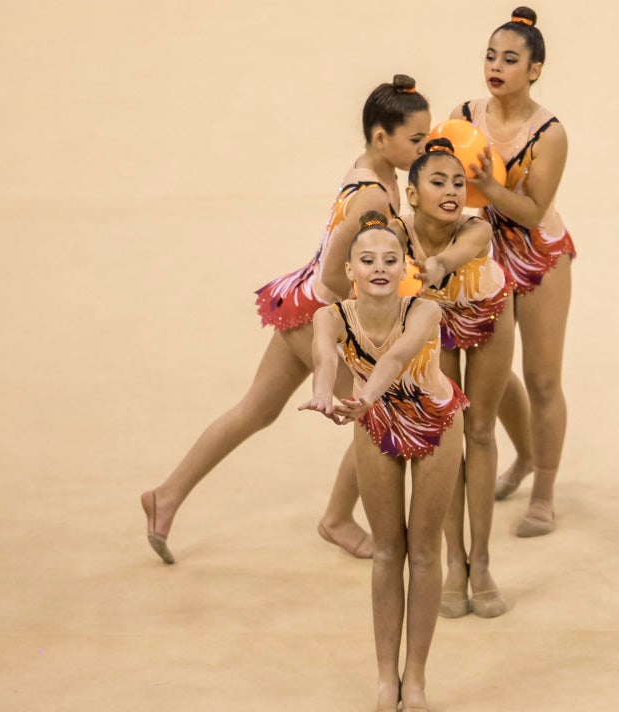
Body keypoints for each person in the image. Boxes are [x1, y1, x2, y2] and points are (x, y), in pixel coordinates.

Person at [140, 76, 430, 564]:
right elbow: (341, 267)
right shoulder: (375, 196)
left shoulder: (372, 171)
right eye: (416, 140)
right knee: (379, 413)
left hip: (299, 297)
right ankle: (337, 519)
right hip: (317, 312)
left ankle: (164, 496)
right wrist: (366, 327)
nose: (423, 149)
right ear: (382, 138)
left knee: (257, 409)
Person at [300, 211, 467, 712]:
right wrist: (324, 396)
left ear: (404, 269)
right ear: (349, 269)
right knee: (387, 551)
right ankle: (383, 682)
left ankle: (414, 678)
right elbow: (325, 359)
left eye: (390, 260)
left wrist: (362, 397)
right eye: (367, 260)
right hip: (372, 422)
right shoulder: (330, 316)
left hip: (435, 420)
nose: (378, 267)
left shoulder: (425, 311)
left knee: (423, 550)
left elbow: (395, 358)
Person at [452, 6, 575, 537]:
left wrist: (493, 188)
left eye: (510, 59)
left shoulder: (548, 132)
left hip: (539, 252)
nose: (495, 67)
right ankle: (523, 458)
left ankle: (544, 490)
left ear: (535, 69)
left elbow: (530, 208)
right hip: (483, 254)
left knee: (543, 379)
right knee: (492, 379)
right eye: (490, 56)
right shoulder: (463, 116)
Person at [391, 138, 514, 618]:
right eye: (437, 182)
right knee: (446, 438)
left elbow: (463, 250)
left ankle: (481, 561)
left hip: (485, 315)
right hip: (430, 323)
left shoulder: (476, 228)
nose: (451, 190)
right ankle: (454, 562)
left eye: (458, 183)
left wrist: (439, 264)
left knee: (480, 431)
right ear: (413, 193)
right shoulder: (396, 232)